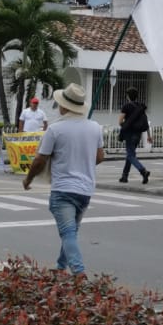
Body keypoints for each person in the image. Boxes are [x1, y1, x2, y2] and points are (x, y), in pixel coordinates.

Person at [23, 83, 104, 276]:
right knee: (71, 231)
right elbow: (100, 157)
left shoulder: (55, 129)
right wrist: (81, 161)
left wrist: (28, 180)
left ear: (65, 106)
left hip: (63, 189)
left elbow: (40, 159)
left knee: (68, 232)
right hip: (85, 190)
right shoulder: (95, 127)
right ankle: (61, 267)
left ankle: (79, 271)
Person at [118, 87, 152, 184]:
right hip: (138, 134)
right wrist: (149, 136)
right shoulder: (140, 107)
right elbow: (145, 122)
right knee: (131, 154)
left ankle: (143, 171)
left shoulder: (126, 106)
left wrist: (125, 127)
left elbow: (120, 121)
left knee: (130, 155)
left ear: (128, 96)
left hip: (129, 134)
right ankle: (124, 176)